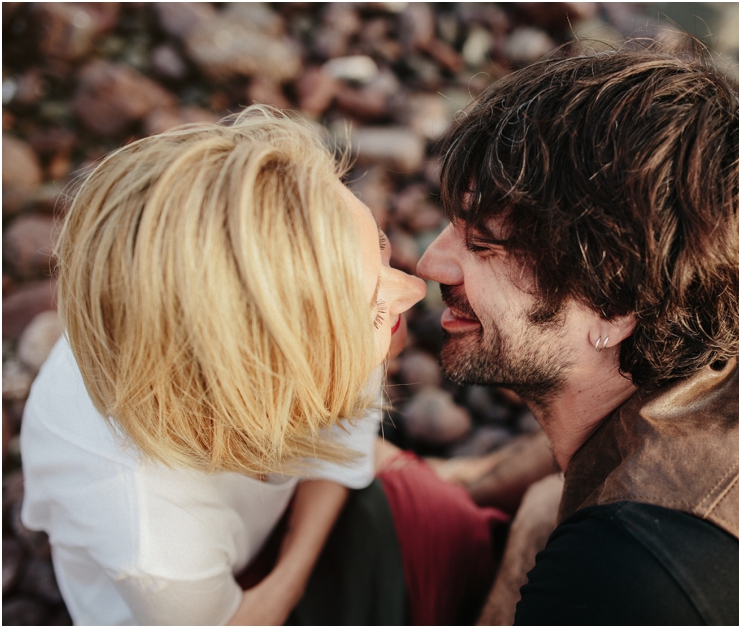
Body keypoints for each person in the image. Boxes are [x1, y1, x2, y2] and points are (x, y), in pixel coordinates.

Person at [416, 47, 739, 625]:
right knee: (542, 507)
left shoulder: (621, 576)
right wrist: (465, 480)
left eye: (482, 243)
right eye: (450, 221)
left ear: (613, 305)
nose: (428, 262)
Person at [20, 106, 507, 626]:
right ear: (262, 374)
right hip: (210, 607)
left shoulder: (311, 301)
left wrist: (308, 525)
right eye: (371, 305)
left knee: (453, 531)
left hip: (269, 515)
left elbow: (344, 434)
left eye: (382, 249)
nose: (414, 289)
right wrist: (292, 573)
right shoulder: (151, 535)